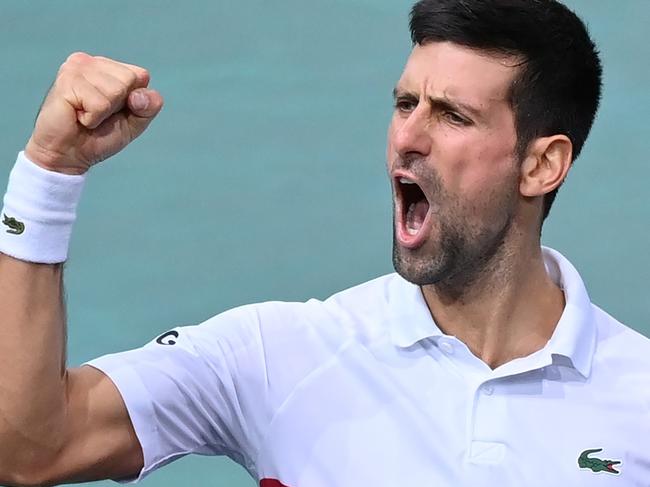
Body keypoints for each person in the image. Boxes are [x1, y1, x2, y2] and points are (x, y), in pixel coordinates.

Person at [0, 0, 647, 485]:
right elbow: (31, 448)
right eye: (404, 104)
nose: (408, 137)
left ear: (541, 166)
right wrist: (49, 171)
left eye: (452, 115)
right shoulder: (277, 356)